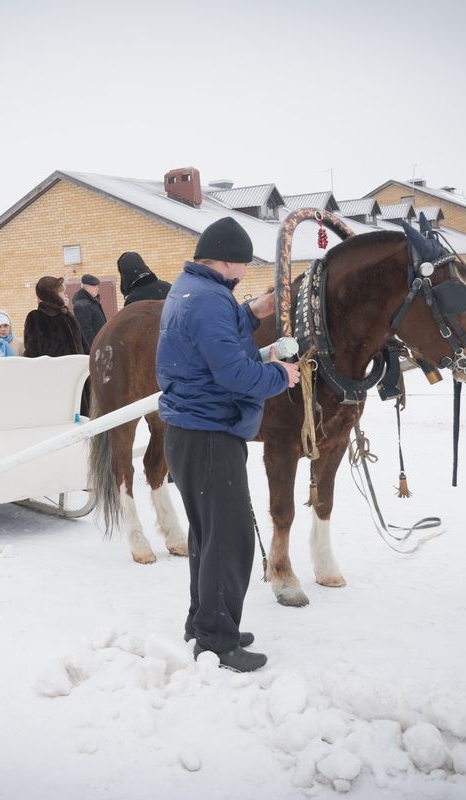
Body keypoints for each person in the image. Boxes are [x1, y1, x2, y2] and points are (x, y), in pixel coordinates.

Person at [156, 217, 300, 672]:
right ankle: (217, 643)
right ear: (224, 262)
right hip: (210, 433)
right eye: (240, 267)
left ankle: (204, 622)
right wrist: (281, 375)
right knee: (229, 540)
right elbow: (235, 374)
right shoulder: (208, 302)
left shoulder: (190, 288)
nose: (242, 276)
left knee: (208, 535)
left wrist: (253, 311)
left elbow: (213, 335)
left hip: (191, 431)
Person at [23, 277, 86, 359]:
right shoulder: (36, 318)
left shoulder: (68, 316)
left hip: (78, 369)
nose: (65, 294)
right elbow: (32, 352)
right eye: (62, 292)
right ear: (53, 295)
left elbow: (83, 345)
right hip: (53, 370)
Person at [71, 274, 107, 351]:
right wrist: (94, 349)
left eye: (97, 286)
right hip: (94, 348)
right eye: (95, 286)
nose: (98, 289)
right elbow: (86, 331)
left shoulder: (91, 301)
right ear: (86, 286)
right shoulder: (81, 305)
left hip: (100, 344)